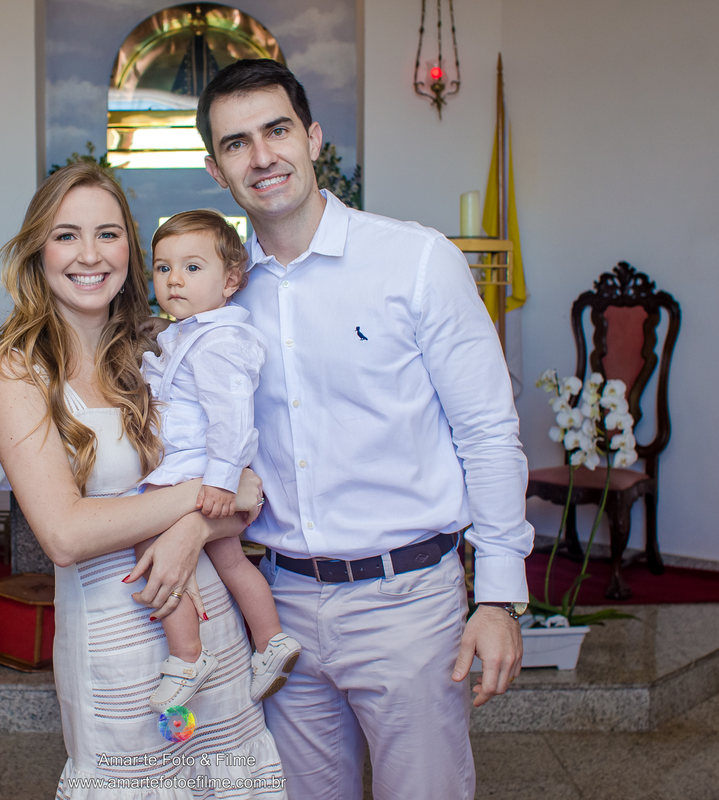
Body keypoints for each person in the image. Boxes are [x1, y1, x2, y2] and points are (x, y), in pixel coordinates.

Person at [194, 59, 534, 800]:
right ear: (217, 170)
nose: (262, 156)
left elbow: (487, 432)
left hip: (407, 603)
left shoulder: (415, 261)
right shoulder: (220, 298)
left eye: (277, 130)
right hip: (280, 604)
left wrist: (499, 597)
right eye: (236, 143)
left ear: (313, 138)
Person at [0, 163, 288, 798]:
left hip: (209, 632)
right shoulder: (15, 369)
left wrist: (196, 525)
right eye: (66, 235)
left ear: (130, 247)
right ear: (38, 249)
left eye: (108, 234)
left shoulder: (158, 348)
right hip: (117, 644)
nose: (90, 254)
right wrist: (201, 505)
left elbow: (248, 486)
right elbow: (64, 534)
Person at [135, 210, 302, 714]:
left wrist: (222, 480)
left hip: (193, 472)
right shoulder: (191, 333)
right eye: (163, 268)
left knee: (147, 541)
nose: (174, 280)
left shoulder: (218, 341)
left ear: (230, 281)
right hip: (197, 469)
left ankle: (188, 656)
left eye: (191, 267)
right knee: (231, 561)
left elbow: (232, 415)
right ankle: (271, 641)